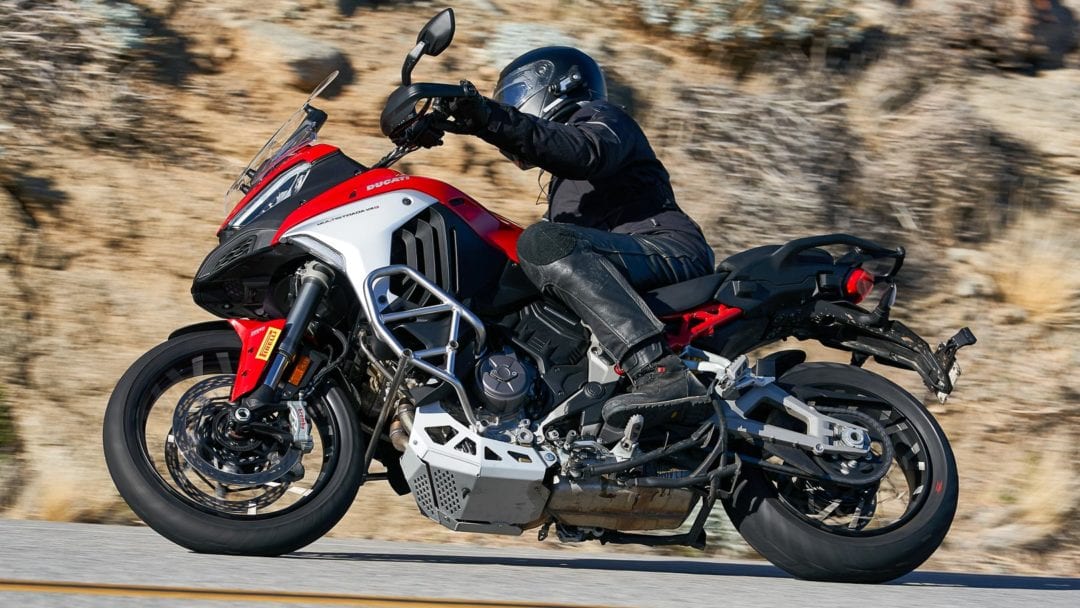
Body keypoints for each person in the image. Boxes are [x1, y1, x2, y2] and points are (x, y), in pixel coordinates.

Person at [438, 47, 715, 439]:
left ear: (556, 85)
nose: (513, 108)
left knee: (543, 242)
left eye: (516, 99)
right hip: (623, 262)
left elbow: (583, 153)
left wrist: (488, 117)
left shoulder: (603, 120)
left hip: (667, 249)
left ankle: (659, 371)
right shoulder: (564, 184)